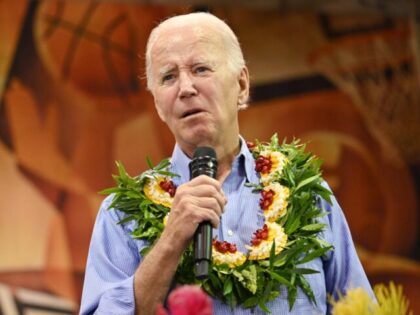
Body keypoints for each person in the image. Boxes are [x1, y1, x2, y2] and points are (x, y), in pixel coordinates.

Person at [80, 12, 373, 315]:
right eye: (168, 77)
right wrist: (171, 240)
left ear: (242, 85)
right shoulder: (121, 214)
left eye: (201, 69)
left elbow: (362, 309)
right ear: (158, 105)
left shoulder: (307, 195)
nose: (185, 88)